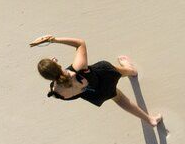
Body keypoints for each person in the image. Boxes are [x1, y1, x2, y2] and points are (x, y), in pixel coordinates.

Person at [32, 34, 162, 128]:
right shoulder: (78, 67)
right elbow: (80, 43)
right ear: (57, 67)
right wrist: (53, 39)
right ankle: (131, 71)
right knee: (117, 70)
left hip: (96, 94)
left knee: (118, 98)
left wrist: (56, 68)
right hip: (103, 76)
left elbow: (63, 81)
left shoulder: (56, 91)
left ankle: (149, 119)